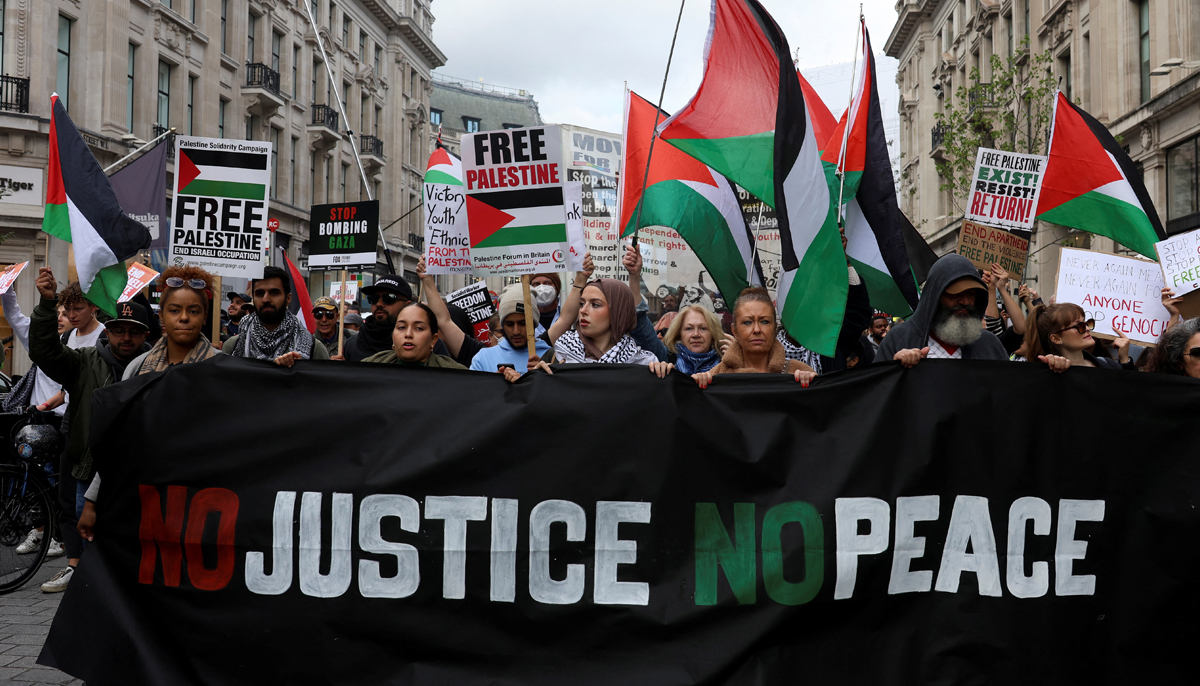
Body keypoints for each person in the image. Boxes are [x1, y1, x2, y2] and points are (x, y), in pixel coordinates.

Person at [29, 268, 150, 592]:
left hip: (138, 469)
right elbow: (45, 352)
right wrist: (46, 304)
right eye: (118, 330)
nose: (126, 338)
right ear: (107, 332)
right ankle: (84, 575)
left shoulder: (155, 367)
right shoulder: (84, 361)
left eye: (134, 332)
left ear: (145, 335)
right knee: (84, 522)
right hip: (89, 465)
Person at [875, 253, 1008, 366]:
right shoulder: (899, 339)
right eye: (956, 293)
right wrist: (895, 368)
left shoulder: (989, 345)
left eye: (971, 294)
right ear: (935, 296)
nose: (965, 301)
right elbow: (879, 390)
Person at [692, 288, 816, 387]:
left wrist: (813, 385)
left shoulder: (798, 372)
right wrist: (692, 385)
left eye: (765, 322)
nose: (756, 329)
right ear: (735, 331)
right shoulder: (715, 377)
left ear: (774, 329)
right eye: (747, 322)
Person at [124, 266, 221, 377]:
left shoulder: (223, 369)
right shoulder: (136, 368)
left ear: (204, 317)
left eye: (193, 311)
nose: (184, 317)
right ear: (161, 316)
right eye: (174, 310)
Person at [549, 277, 661, 369]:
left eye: (595, 304)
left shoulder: (643, 363)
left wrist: (661, 373)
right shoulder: (559, 354)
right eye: (582, 304)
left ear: (618, 312)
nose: (583, 310)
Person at [224, 266, 329, 361]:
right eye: (260, 293)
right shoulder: (233, 346)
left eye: (274, 293)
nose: (265, 299)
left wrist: (301, 368)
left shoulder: (313, 348)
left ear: (288, 298)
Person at [469, 283, 553, 375]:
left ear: (534, 323)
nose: (516, 331)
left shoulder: (552, 357)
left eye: (523, 324)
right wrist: (493, 383)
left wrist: (545, 378)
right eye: (509, 324)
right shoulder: (483, 358)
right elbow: (474, 389)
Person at [1023, 303, 1134, 372]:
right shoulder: (1052, 371)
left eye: (1087, 323)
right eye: (1078, 326)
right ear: (1056, 339)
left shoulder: (1107, 364)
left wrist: (1125, 360)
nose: (1087, 328)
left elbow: (1135, 394)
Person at [361, 301, 465, 369]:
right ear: (393, 336)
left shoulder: (457, 374)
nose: (408, 334)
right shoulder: (367, 368)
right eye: (401, 327)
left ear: (433, 339)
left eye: (419, 328)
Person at [342, 274, 412, 362]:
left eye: (388, 298)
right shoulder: (352, 344)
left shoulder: (413, 344)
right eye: (374, 298)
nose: (379, 304)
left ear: (407, 305)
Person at [662, 305, 726, 374]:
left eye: (703, 328)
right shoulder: (667, 361)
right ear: (679, 334)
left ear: (713, 334)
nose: (696, 334)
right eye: (689, 328)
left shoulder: (726, 364)